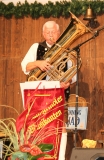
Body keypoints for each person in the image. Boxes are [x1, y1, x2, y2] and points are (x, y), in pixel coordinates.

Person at [21, 21, 75, 160]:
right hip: (39, 97)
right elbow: (25, 66)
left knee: (59, 127)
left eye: (53, 32)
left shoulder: (66, 50)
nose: (50, 35)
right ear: (43, 34)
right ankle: (36, 157)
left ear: (59, 34)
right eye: (48, 32)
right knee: (36, 128)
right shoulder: (36, 47)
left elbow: (72, 75)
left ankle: (60, 157)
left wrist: (67, 82)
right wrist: (38, 63)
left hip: (58, 95)